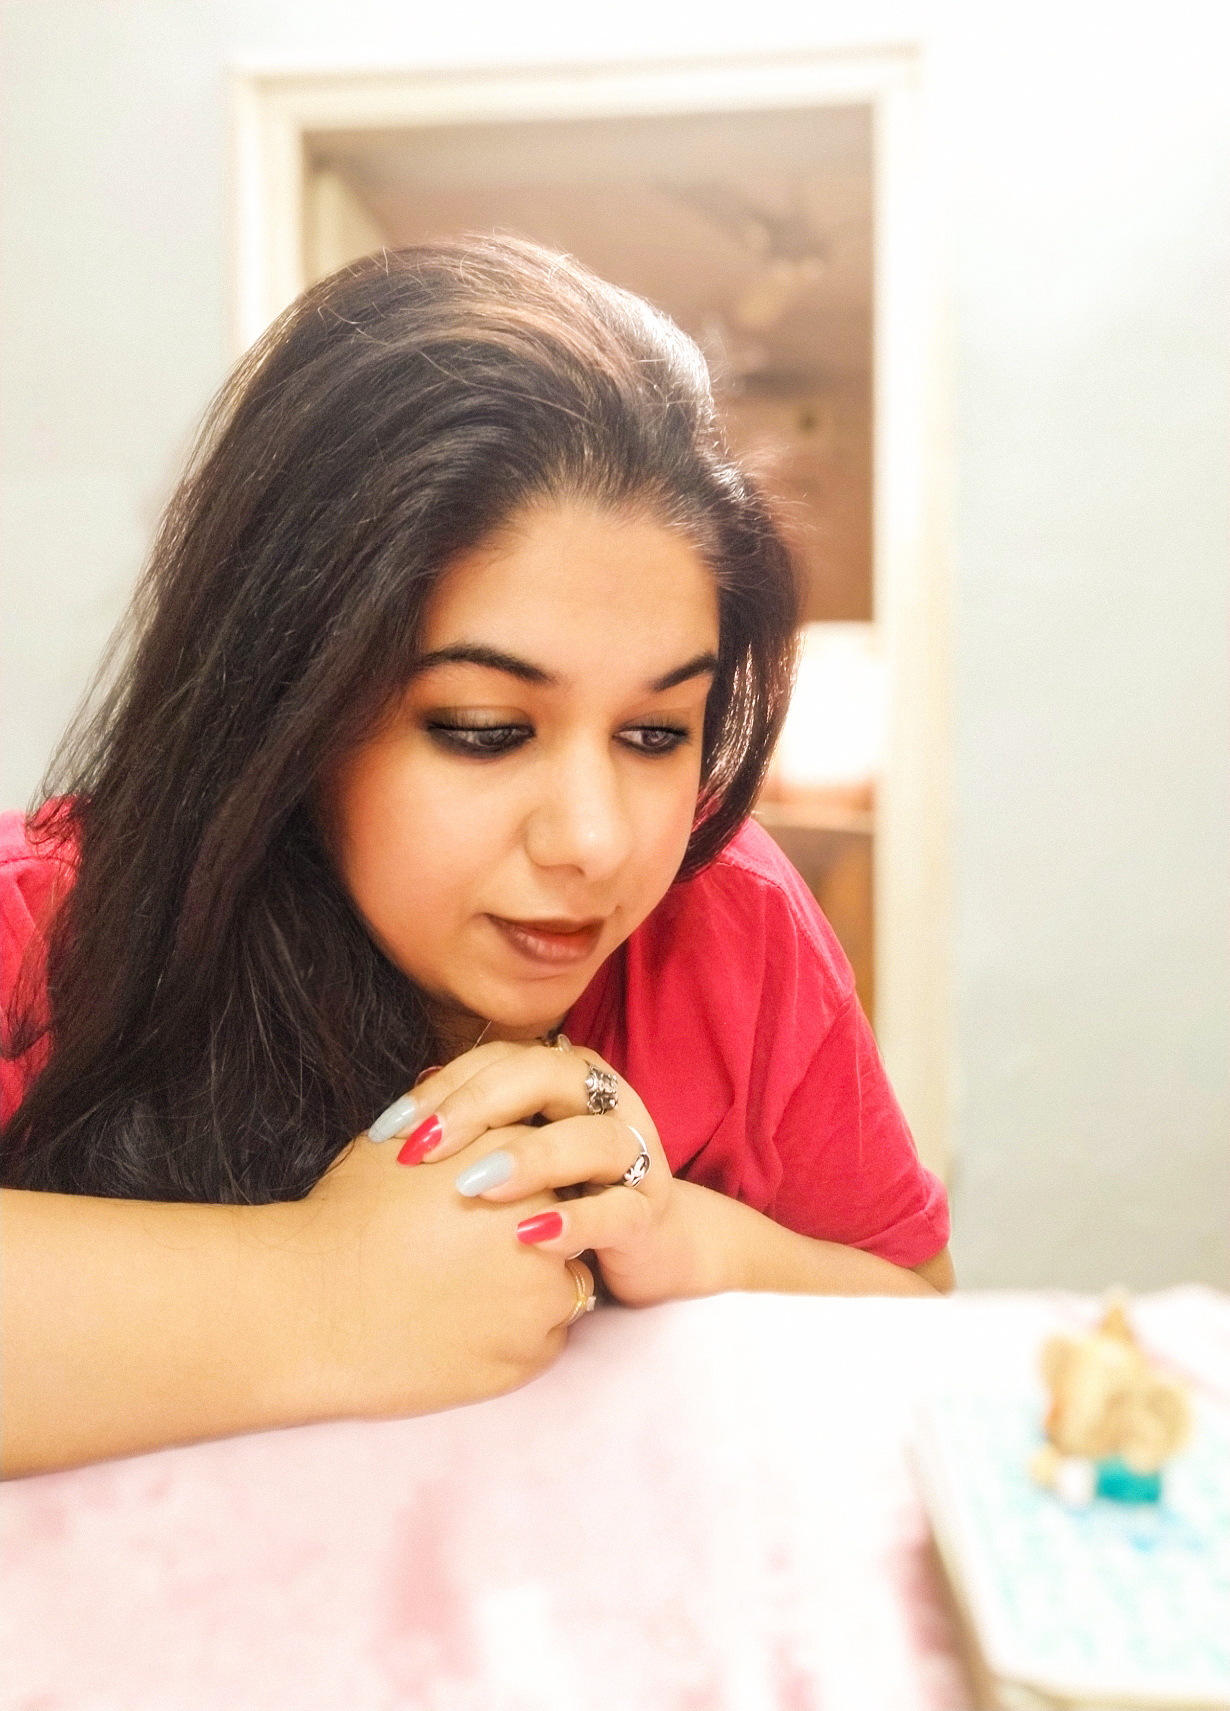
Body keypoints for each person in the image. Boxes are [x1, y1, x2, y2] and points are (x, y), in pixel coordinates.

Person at [0, 236, 952, 1479]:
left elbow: (921, 1314)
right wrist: (323, 1291)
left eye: (657, 733)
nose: (597, 841)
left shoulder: (732, 915)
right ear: (288, 710)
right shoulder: (47, 924)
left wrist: (683, 1237)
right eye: (484, 729)